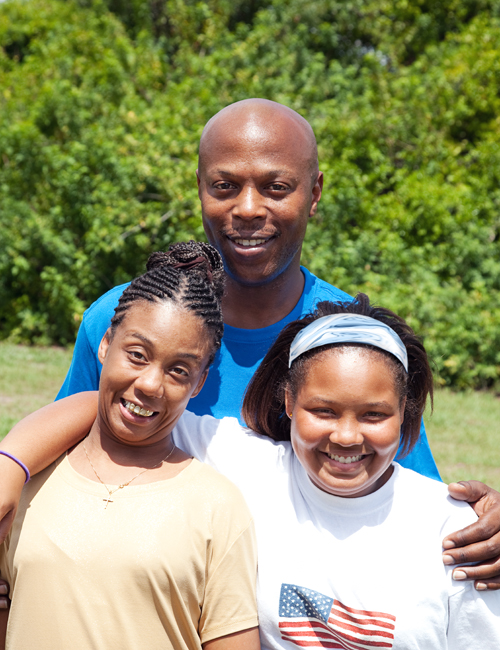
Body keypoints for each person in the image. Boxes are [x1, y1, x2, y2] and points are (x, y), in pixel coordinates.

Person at [1, 99, 500, 594]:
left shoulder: (351, 344)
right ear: (200, 189)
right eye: (224, 186)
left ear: (315, 192)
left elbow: (410, 494)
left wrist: (480, 519)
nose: (246, 208)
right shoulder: (130, 320)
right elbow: (73, 428)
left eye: (276, 187)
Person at [4, 294, 500, 649]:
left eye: (373, 415)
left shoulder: (457, 533)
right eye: (323, 411)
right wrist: (7, 471)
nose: (347, 437)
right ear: (289, 401)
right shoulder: (245, 463)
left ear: (404, 409)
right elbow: (113, 404)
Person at [0, 242, 260, 650]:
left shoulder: (218, 506)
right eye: (137, 355)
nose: (150, 384)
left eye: (179, 371)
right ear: (105, 346)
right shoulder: (28, 480)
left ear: (200, 383)